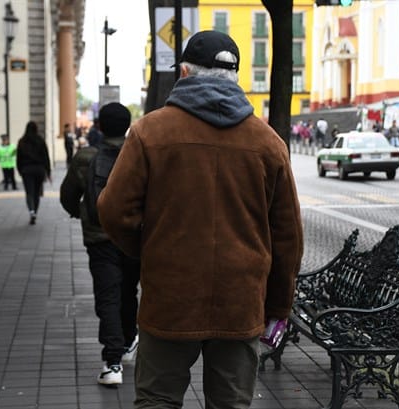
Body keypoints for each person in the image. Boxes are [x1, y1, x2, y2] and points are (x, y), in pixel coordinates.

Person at [97, 30, 304, 408]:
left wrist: (149, 251)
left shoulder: (150, 132)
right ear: (236, 77)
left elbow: (113, 211)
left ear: (185, 73)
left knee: (157, 399)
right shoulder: (268, 142)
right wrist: (278, 308)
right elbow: (288, 237)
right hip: (240, 302)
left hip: (170, 297)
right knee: (231, 403)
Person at [60, 102, 140, 386]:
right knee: (129, 292)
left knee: (107, 296)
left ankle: (113, 362)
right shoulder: (140, 154)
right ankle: (129, 341)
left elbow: (68, 195)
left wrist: (77, 212)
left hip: (99, 238)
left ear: (100, 126)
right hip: (133, 238)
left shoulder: (85, 157)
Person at [16, 121, 51, 225]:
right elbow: (46, 157)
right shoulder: (40, 140)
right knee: (37, 192)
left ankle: (31, 211)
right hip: (39, 170)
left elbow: (19, 158)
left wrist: (20, 170)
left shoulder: (22, 142)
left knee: (29, 192)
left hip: (26, 170)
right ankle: (35, 211)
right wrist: (48, 172)